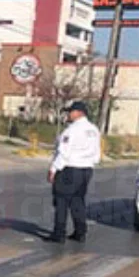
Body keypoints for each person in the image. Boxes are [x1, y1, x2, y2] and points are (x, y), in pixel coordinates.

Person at [46, 101, 101, 243]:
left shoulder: (71, 130)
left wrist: (53, 169)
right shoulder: (94, 130)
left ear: (78, 113)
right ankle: (80, 232)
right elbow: (97, 154)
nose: (69, 114)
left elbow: (63, 153)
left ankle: (59, 233)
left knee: (61, 200)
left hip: (69, 169)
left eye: (70, 112)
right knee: (78, 201)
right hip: (86, 169)